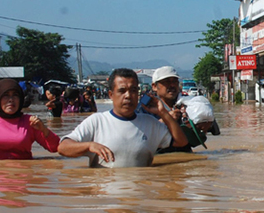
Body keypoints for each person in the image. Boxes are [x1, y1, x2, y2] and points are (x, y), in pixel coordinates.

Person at [57, 68, 188, 167]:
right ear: (110, 94)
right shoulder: (97, 121)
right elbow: (63, 147)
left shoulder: (150, 123)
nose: (128, 96)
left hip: (142, 197)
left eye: (133, 90)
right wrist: (89, 146)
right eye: (122, 91)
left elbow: (181, 142)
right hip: (105, 199)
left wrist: (163, 113)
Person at [144, 66, 220, 154]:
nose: (172, 85)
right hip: (158, 157)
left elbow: (215, 130)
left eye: (174, 81)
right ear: (154, 86)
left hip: (186, 156)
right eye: (167, 82)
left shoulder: (190, 104)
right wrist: (166, 118)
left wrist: (205, 124)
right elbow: (141, 136)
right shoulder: (147, 107)